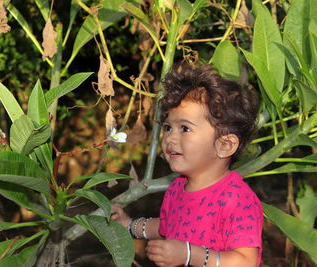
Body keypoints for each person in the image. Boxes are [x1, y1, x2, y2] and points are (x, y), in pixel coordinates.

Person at [112, 63, 262, 267]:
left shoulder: (237, 199)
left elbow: (245, 262)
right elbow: (166, 226)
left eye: (185, 128)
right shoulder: (176, 188)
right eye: (167, 127)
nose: (170, 138)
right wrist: (129, 226)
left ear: (225, 145)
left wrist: (189, 254)